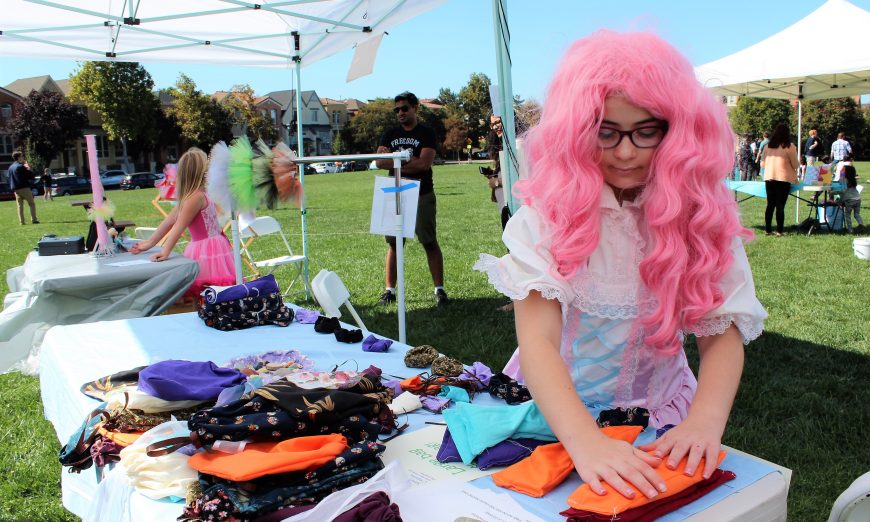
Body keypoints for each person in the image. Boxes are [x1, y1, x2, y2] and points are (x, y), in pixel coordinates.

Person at [475, 31, 766, 501]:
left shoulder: (701, 219)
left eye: (645, 131)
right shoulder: (548, 219)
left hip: (661, 418)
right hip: (554, 413)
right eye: (605, 132)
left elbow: (722, 333)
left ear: (680, 130)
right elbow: (538, 341)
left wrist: (705, 420)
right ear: (575, 130)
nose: (626, 152)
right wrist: (585, 441)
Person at [130, 148, 235, 300]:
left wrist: (163, 250)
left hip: (210, 249)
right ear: (199, 172)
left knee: (212, 289)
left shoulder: (198, 195)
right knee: (209, 290)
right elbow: (172, 223)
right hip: (210, 247)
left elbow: (177, 225)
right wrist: (150, 243)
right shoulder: (193, 197)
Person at [375, 91, 448, 306]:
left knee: (429, 241)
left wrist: (395, 160)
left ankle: (439, 290)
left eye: (405, 108)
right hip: (395, 191)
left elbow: (424, 164)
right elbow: (380, 162)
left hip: (422, 193)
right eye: (396, 110)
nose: (400, 113)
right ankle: (389, 291)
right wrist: (409, 160)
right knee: (394, 243)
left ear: (415, 108)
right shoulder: (389, 134)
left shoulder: (426, 133)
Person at [761, 124, 799, 237]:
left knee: (770, 205)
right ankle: (779, 230)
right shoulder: (790, 147)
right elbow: (796, 165)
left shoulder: (768, 146)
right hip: (783, 179)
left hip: (769, 178)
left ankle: (768, 229)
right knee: (780, 206)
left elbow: (762, 164)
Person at [6, 151, 39, 225]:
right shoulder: (20, 166)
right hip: (24, 188)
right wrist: (28, 168)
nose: (23, 157)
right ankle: (34, 219)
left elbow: (9, 177)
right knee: (31, 203)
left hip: (15, 189)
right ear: (19, 158)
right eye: (22, 156)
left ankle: (22, 222)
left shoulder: (10, 167)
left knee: (20, 205)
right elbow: (31, 176)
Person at [842, 165, 864, 234]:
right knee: (856, 214)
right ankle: (861, 224)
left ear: (846, 172)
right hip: (858, 199)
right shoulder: (853, 180)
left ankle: (850, 230)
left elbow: (842, 190)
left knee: (847, 214)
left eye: (843, 170)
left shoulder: (844, 180)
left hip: (849, 200)